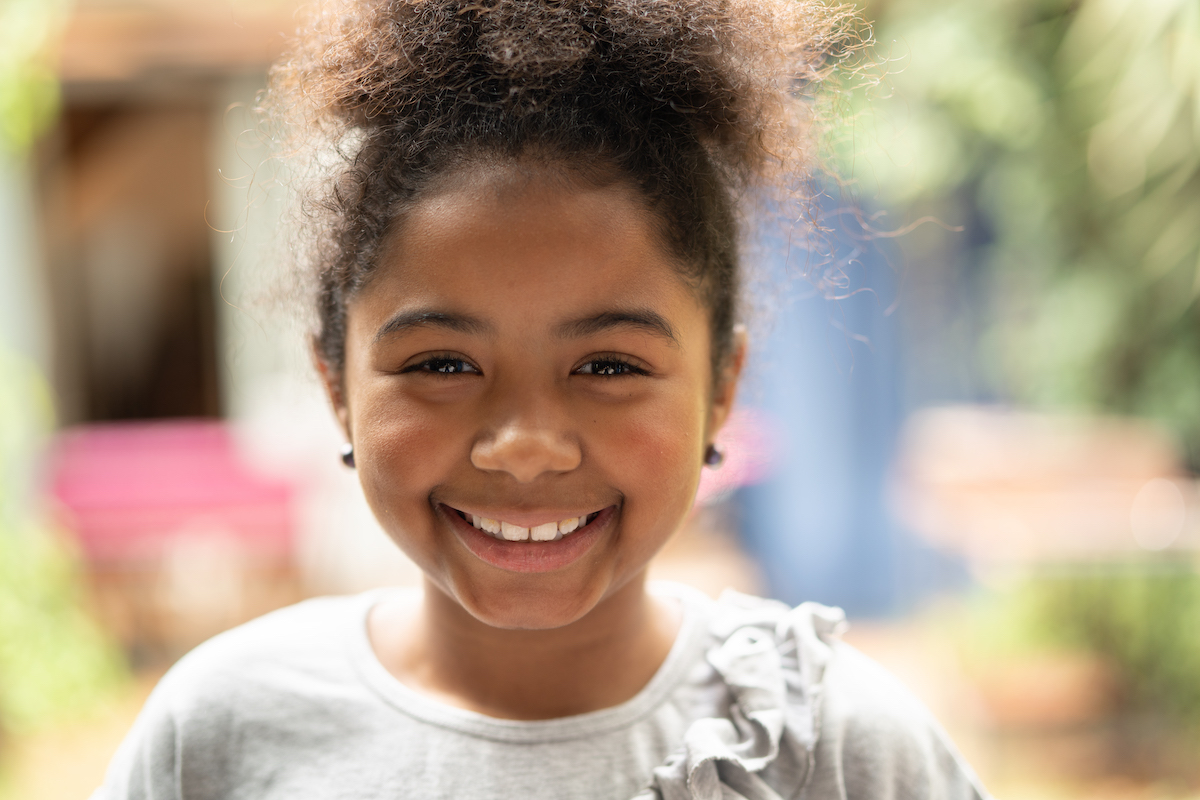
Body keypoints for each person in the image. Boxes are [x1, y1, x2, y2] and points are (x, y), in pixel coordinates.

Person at [95, 1, 990, 798]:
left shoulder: (834, 749)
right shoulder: (220, 733)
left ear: (722, 391)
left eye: (608, 366)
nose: (524, 444)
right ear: (336, 386)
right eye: (443, 365)